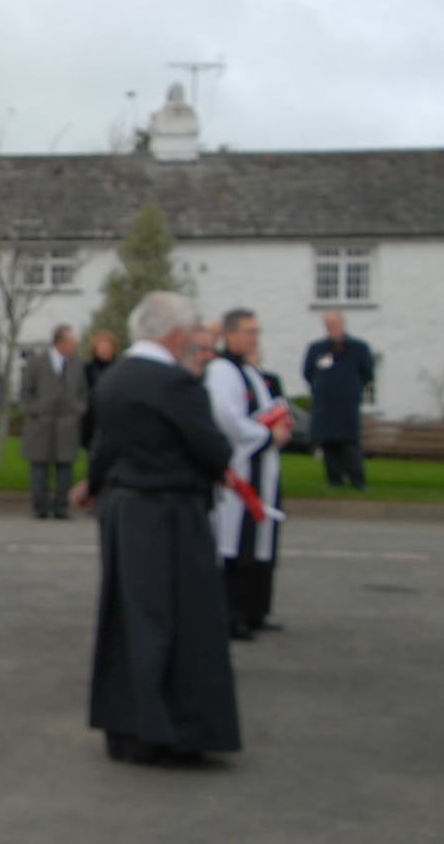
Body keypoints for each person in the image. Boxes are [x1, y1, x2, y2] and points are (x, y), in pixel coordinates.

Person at [69, 291, 241, 765]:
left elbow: (102, 446)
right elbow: (214, 452)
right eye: (188, 335)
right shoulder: (175, 385)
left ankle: (129, 730)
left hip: (124, 512)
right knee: (180, 624)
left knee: (131, 622)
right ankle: (176, 731)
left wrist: (95, 484)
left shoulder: (113, 379)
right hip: (170, 514)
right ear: (174, 334)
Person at [205, 310, 291, 642]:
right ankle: (232, 616)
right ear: (230, 334)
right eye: (248, 332)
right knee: (236, 544)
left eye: (257, 331)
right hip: (241, 466)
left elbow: (266, 408)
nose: (254, 338)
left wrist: (278, 425)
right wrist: (266, 436)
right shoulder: (222, 370)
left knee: (259, 541)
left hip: (262, 466)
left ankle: (256, 610)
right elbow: (226, 416)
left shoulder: (250, 370)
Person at [21, 324, 89, 521]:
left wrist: (78, 409)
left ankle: (62, 508)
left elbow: (83, 392)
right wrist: (35, 410)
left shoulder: (77, 363)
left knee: (64, 468)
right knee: (39, 468)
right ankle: (40, 508)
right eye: (71, 340)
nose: (75, 344)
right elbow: (26, 393)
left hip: (67, 424)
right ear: (61, 343)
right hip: (41, 424)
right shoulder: (36, 363)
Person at [302, 311, 373, 491]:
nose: (332, 328)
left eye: (335, 324)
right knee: (328, 444)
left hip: (347, 407)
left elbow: (367, 374)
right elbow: (308, 373)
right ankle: (335, 481)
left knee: (349, 444)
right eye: (328, 325)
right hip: (325, 406)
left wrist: (352, 389)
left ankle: (358, 481)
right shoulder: (317, 349)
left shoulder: (358, 348)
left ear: (343, 324)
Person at [80, 330, 119, 455]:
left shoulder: (120, 367)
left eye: (108, 346)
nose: (105, 349)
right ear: (95, 348)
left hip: (116, 419)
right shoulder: (87, 369)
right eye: (102, 345)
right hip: (94, 420)